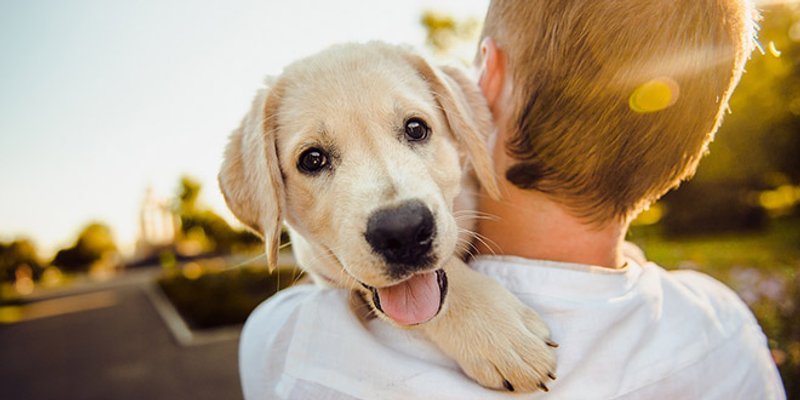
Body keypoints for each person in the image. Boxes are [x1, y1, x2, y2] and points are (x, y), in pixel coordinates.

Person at [239, 0, 786, 398]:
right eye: (315, 160)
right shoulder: (727, 332)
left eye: (414, 129)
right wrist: (454, 304)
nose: (397, 208)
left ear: (483, 88)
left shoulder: (289, 345)